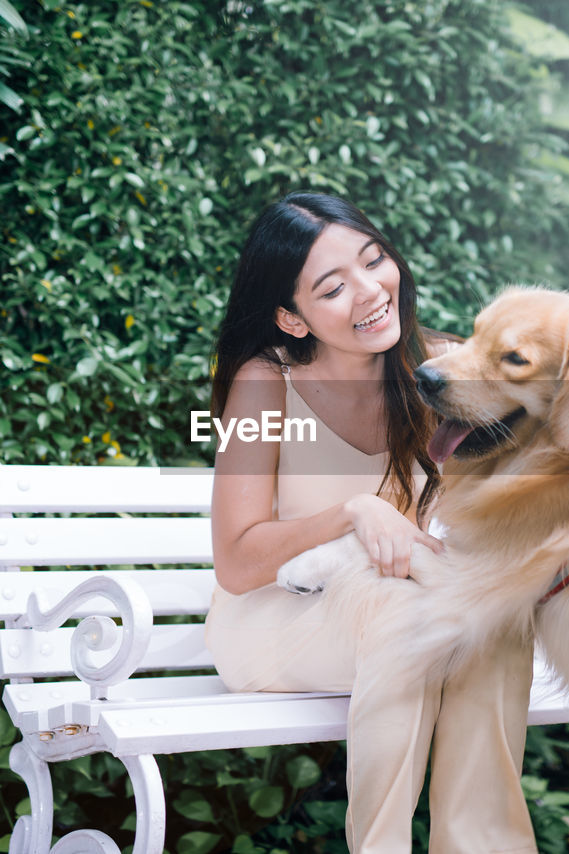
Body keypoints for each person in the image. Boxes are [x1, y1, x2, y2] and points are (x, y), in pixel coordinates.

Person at [204, 192, 536, 854]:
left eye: (373, 260)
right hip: (279, 624)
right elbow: (238, 561)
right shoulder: (265, 383)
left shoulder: (441, 369)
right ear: (291, 318)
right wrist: (355, 512)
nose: (368, 291)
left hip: (408, 603)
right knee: (402, 609)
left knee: (490, 615)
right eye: (332, 288)